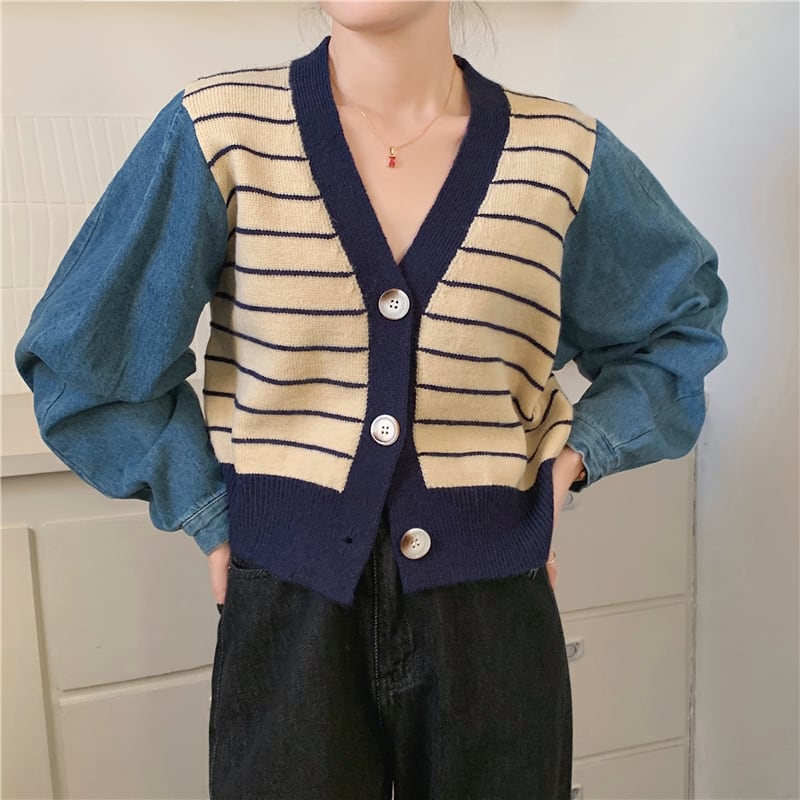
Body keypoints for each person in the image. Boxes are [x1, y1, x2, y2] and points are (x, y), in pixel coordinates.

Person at [14, 1, 729, 798]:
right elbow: (85, 366)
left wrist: (576, 461)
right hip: (290, 615)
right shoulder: (223, 132)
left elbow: (676, 327)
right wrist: (210, 513)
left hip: (494, 617)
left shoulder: (561, 153)